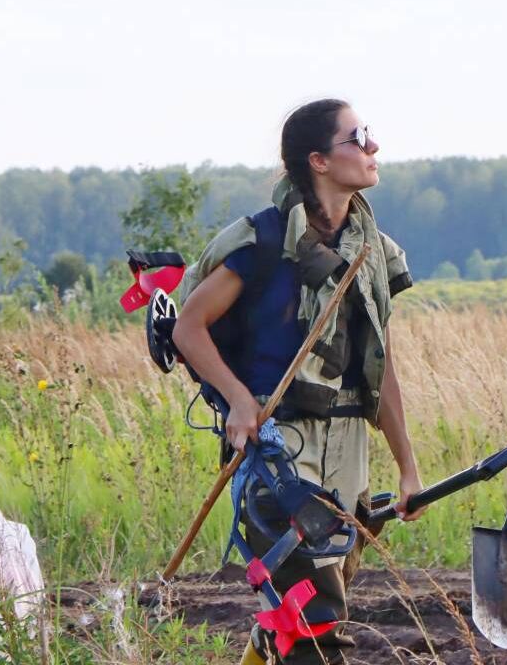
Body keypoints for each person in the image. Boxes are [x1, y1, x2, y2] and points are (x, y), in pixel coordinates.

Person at [172, 99, 426, 665]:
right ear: (318, 160)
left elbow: (380, 372)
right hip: (278, 452)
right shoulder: (260, 243)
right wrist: (238, 402)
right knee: (315, 629)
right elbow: (190, 328)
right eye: (358, 137)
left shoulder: (373, 254)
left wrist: (407, 467)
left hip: (349, 460)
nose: (373, 147)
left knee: (290, 622)